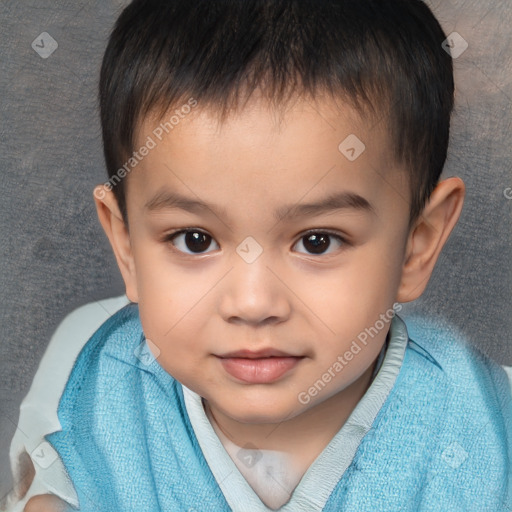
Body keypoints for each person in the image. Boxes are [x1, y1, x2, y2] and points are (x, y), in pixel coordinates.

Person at [4, 0, 511, 510]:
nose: (252, 302)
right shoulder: (90, 399)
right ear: (127, 245)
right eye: (194, 239)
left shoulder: (486, 435)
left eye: (317, 241)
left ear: (415, 246)